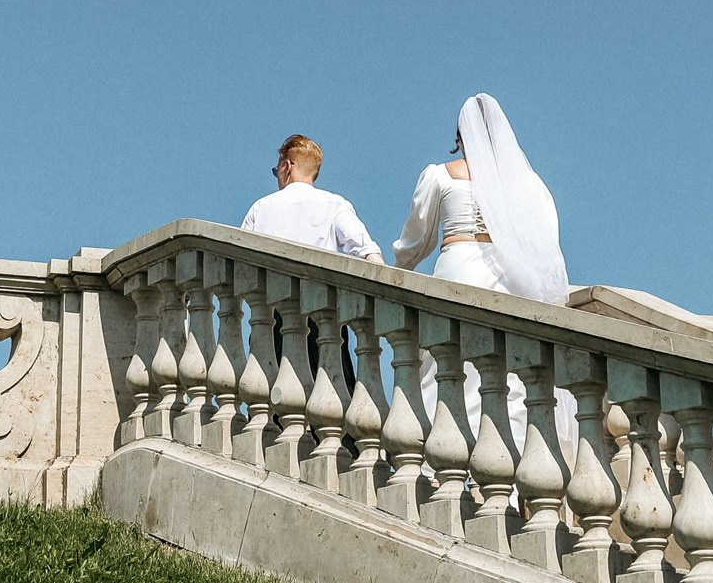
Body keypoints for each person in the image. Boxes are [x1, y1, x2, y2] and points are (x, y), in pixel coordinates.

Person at [392, 94, 576, 449]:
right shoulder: (528, 184)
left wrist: (399, 269)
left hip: (458, 269)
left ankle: (436, 466)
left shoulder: (439, 175)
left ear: (460, 137)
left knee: (447, 368)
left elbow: (417, 239)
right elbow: (547, 238)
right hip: (507, 276)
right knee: (507, 375)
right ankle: (508, 474)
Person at [241, 134, 383, 261]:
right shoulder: (335, 205)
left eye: (277, 170)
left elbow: (239, 255)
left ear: (287, 166)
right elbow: (367, 252)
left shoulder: (260, 207)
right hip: (318, 288)